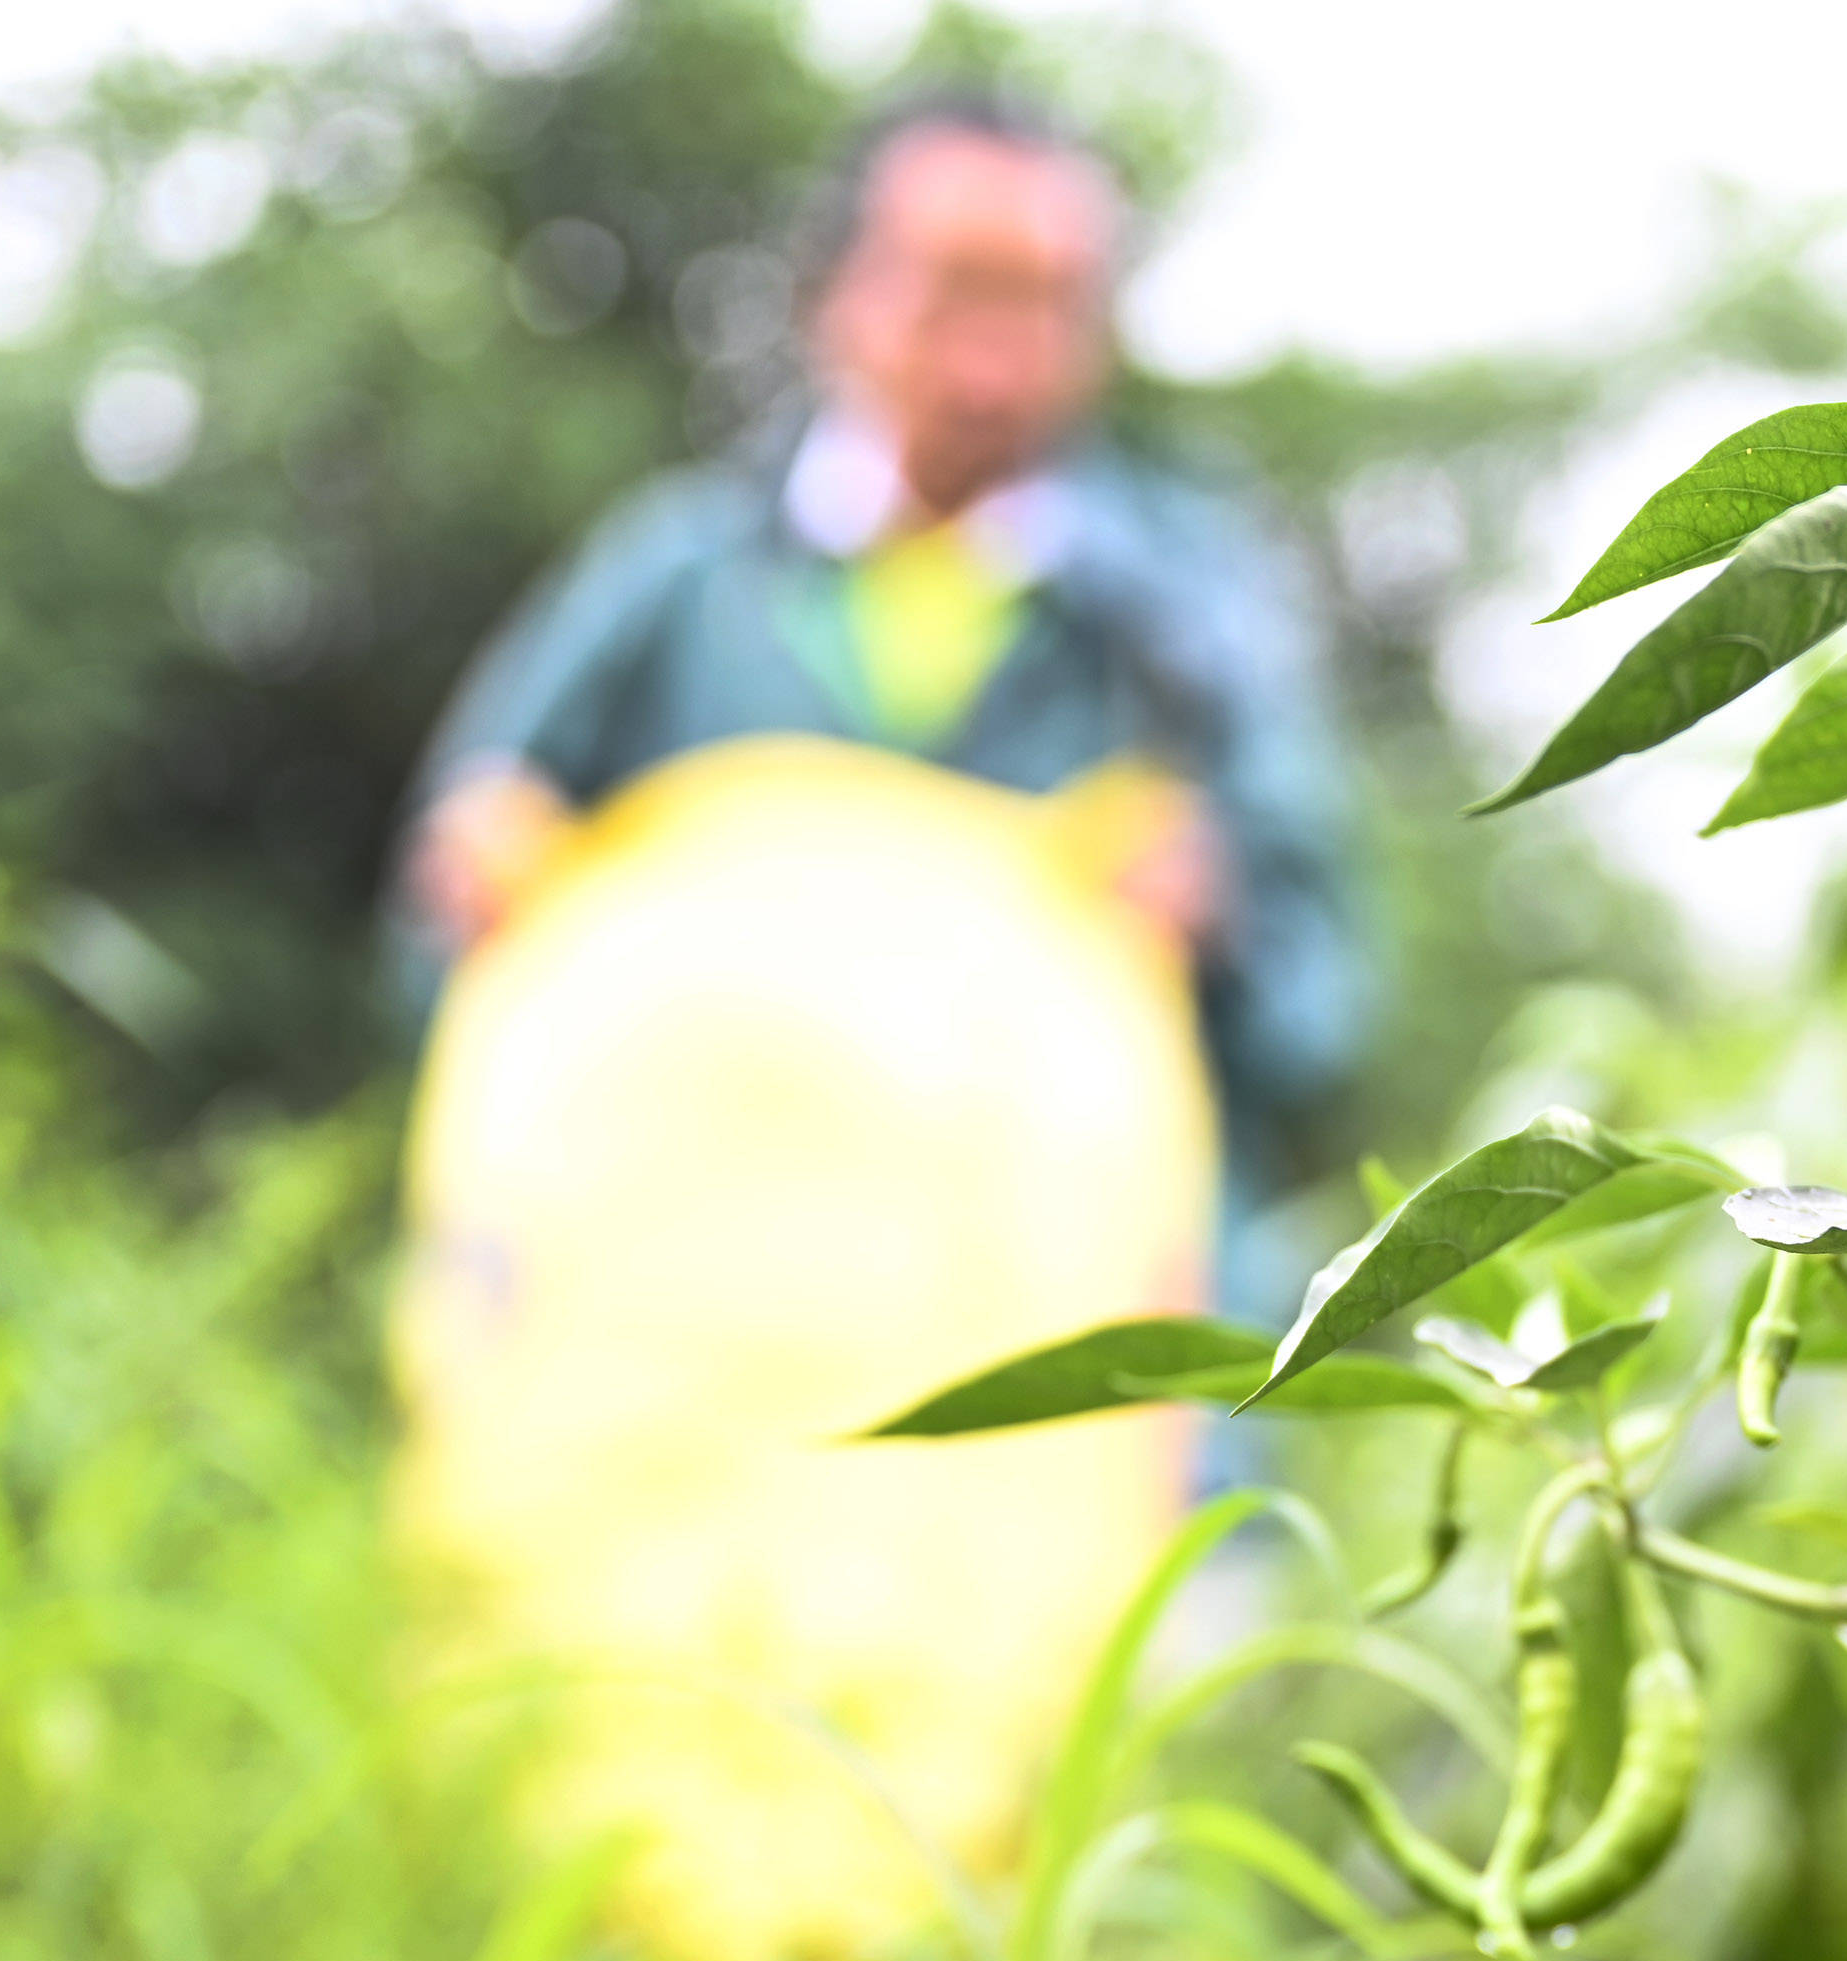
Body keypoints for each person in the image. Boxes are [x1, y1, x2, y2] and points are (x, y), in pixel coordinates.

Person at [402, 86, 1358, 1199]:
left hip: (1082, 1305)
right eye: (956, 294)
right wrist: (485, 881)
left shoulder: (1188, 610)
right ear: (833, 295)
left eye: (1047, 307)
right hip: (718, 1286)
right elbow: (438, 944)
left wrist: (1216, 924)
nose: (993, 365)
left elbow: (1320, 1013)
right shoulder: (676, 581)